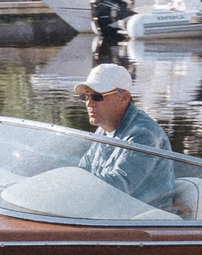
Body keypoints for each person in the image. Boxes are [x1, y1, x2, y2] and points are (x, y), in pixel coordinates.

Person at [73, 62, 176, 208]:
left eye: (96, 97)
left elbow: (120, 185)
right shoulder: (104, 129)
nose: (89, 103)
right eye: (85, 97)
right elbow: (84, 169)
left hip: (144, 216)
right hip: (113, 211)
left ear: (124, 98)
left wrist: (74, 184)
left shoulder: (144, 134)